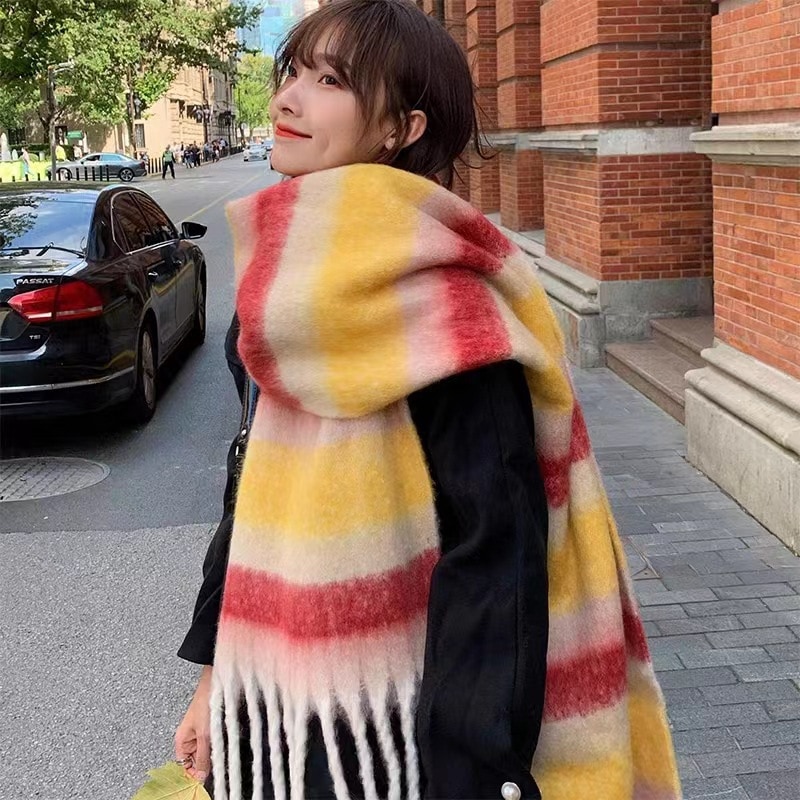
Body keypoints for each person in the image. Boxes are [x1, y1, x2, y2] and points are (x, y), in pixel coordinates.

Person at [174, 2, 681, 799]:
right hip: (272, 699)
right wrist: (213, 677)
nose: (287, 99)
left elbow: (497, 557)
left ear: (399, 129)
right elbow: (251, 493)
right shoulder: (280, 298)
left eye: (330, 82)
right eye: (292, 72)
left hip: (394, 731)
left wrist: (474, 768)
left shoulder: (448, 305)